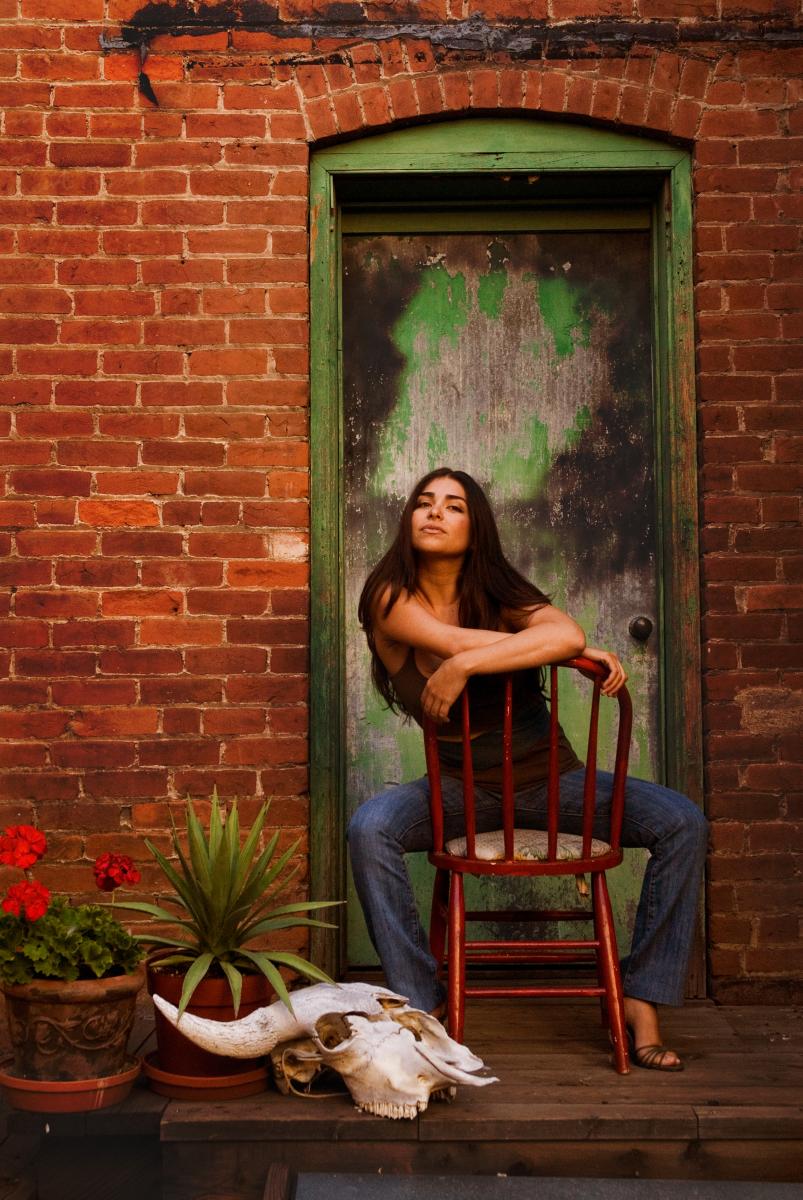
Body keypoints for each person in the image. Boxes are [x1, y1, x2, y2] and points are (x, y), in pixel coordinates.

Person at [347, 467, 708, 1071]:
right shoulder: (388, 597)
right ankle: (422, 1003)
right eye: (424, 502)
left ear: (475, 526)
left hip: (550, 779)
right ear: (408, 518)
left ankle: (641, 996)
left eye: (454, 506)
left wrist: (480, 663)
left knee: (683, 822)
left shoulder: (499, 588)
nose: (434, 512)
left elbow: (556, 632)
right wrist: (563, 648)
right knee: (369, 829)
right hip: (458, 788)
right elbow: (458, 641)